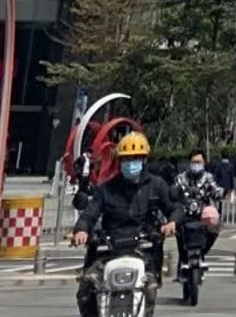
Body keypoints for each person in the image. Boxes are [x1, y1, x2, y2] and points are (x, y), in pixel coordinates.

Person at [72, 130, 176, 317]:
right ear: (119, 161)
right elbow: (90, 213)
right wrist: (81, 230)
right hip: (109, 251)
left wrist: (172, 223)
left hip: (143, 251)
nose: (131, 163)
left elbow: (174, 208)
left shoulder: (157, 185)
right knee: (87, 286)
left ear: (144, 160)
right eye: (127, 159)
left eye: (136, 158)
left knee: (149, 288)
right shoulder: (106, 189)